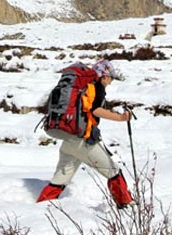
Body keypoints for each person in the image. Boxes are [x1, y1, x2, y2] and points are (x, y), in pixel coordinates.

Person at [37, 59, 134, 208]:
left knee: (60, 179)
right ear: (104, 75)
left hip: (69, 140)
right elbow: (95, 109)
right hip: (81, 140)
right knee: (113, 171)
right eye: (111, 77)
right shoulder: (96, 86)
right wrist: (120, 118)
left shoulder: (84, 87)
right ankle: (126, 206)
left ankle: (41, 207)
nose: (111, 81)